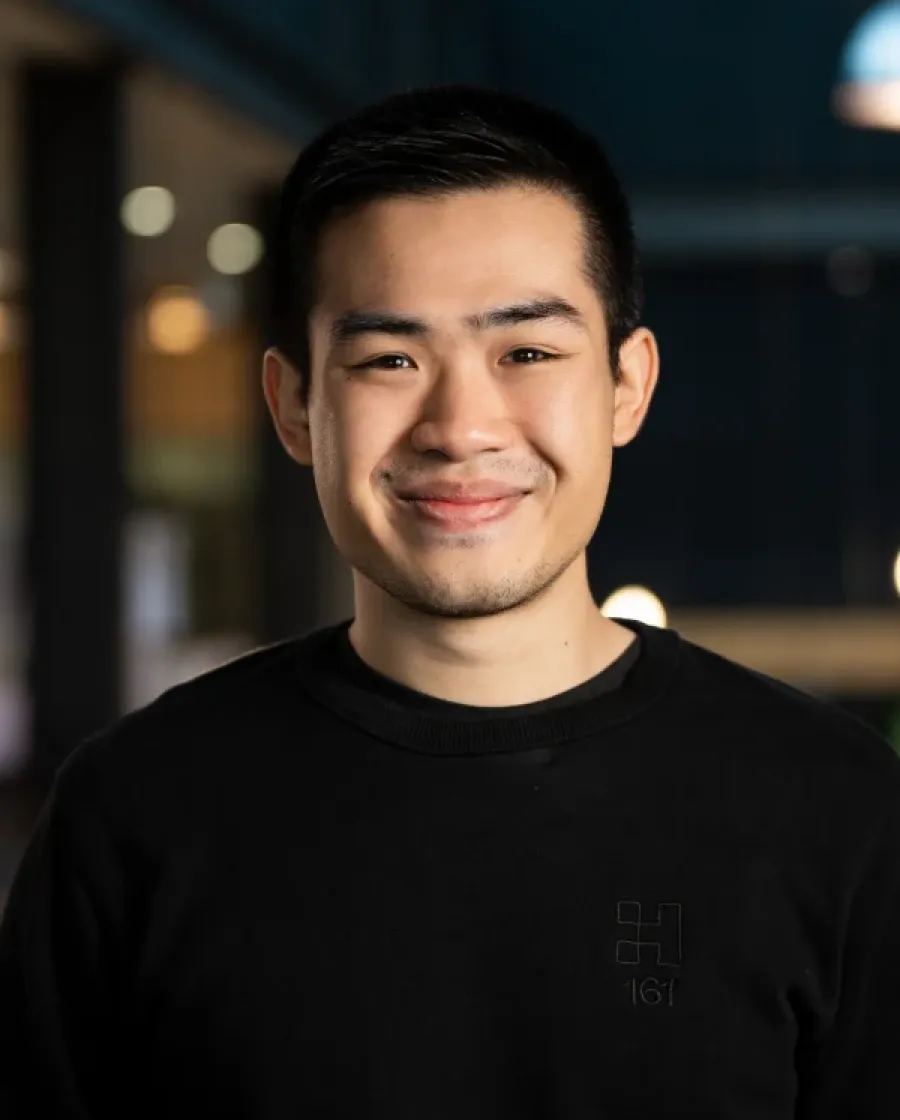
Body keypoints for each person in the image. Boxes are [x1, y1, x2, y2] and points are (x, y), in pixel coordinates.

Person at [1, 85, 898, 1120]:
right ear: (295, 404)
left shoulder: (835, 810)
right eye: (391, 358)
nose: (461, 426)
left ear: (626, 385)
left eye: (526, 352)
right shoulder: (135, 813)